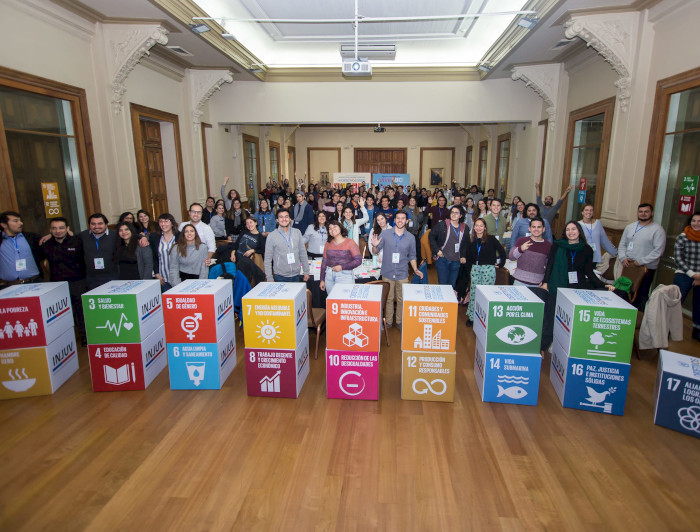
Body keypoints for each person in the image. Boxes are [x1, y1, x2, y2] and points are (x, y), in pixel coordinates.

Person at [540, 221, 615, 351]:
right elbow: (550, 265)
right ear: (565, 232)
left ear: (579, 231)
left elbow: (588, 271)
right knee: (551, 317)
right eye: (568, 229)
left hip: (576, 288)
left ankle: (568, 348)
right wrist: (545, 282)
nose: (571, 232)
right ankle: (543, 346)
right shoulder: (557, 246)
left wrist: (603, 284)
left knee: (570, 319)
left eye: (573, 229)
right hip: (556, 286)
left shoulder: (586, 249)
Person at [371, 210, 423, 329]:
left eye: (403, 218)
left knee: (401, 298)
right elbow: (375, 252)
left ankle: (399, 321)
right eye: (398, 218)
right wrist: (374, 246)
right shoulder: (385, 234)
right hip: (387, 271)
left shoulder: (411, 238)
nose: (400, 220)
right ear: (394, 220)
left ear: (406, 221)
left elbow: (412, 256)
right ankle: (388, 321)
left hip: (403, 272)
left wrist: (415, 269)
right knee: (388, 298)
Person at [41, 217, 86, 344]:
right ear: (50, 230)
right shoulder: (46, 245)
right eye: (54, 228)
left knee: (80, 312)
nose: (58, 231)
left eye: (61, 228)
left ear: (67, 229)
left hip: (77, 282)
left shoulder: (77, 241)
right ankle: (64, 341)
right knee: (61, 314)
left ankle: (84, 338)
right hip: (57, 285)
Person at [617, 203, 666, 310]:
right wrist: (623, 257)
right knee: (625, 292)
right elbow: (622, 245)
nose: (643, 214)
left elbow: (658, 251)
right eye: (640, 211)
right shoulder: (630, 227)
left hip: (646, 268)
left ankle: (639, 319)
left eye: (646, 211)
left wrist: (641, 261)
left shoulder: (658, 230)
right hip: (628, 266)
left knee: (640, 295)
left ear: (652, 213)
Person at [462, 219, 506, 325]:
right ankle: (472, 317)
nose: (479, 228)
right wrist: (469, 272)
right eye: (476, 226)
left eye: (481, 226)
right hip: (475, 269)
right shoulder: (472, 241)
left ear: (485, 227)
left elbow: (501, 251)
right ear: (474, 228)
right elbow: (468, 257)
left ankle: (485, 317)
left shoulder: (491, 239)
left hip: (488, 269)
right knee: (474, 293)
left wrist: (501, 264)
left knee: (486, 294)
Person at [673, 211, 700, 341]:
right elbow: (678, 259)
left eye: (699, 221)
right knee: (677, 301)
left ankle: (697, 329)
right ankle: (669, 327)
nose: (696, 223)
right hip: (684, 273)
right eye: (694, 221)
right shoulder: (682, 237)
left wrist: (699, 276)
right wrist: (693, 274)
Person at [264, 208, 309, 283]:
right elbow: (267, 259)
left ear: (290, 219)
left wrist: (306, 271)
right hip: (280, 276)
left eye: (286, 216)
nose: (284, 219)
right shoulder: (271, 236)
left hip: (296, 274)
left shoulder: (297, 232)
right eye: (281, 217)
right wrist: (269, 278)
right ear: (277, 220)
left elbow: (303, 253)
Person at [0, 211, 43, 287]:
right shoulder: (0, 240)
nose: (21, 223)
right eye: (15, 221)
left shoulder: (32, 237)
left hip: (34, 283)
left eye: (20, 220)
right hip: (8, 286)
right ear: (4, 225)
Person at [319, 220, 362, 295]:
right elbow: (324, 261)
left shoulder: (350, 242)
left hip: (345, 276)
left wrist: (342, 267)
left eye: (334, 226)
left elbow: (358, 260)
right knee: (332, 302)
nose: (332, 229)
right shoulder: (328, 243)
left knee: (345, 302)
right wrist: (322, 279)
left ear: (340, 228)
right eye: (330, 228)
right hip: (329, 276)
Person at [430, 206, 467, 289]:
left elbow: (465, 244)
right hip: (443, 259)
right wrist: (436, 250)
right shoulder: (442, 224)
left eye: (456, 213)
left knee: (452, 286)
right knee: (443, 286)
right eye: (452, 212)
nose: (453, 214)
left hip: (456, 261)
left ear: (461, 215)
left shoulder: (465, 228)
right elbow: (431, 236)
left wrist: (463, 255)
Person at [80, 213, 119, 290]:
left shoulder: (116, 235)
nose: (96, 226)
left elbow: (133, 236)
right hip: (91, 278)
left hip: (112, 276)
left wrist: (142, 237)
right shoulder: (83, 236)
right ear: (89, 225)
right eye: (93, 224)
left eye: (100, 223)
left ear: (106, 224)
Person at [508, 217, 551, 287]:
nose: (536, 229)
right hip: (519, 282)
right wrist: (520, 249)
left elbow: (549, 266)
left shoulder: (548, 245)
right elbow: (511, 257)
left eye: (539, 227)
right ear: (529, 229)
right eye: (533, 227)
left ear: (543, 229)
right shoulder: (521, 241)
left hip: (538, 284)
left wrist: (545, 281)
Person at [152, 213, 178, 291]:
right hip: (163, 278)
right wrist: (156, 274)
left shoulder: (179, 236)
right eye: (161, 221)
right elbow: (153, 257)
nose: (163, 224)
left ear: (172, 223)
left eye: (166, 221)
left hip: (178, 277)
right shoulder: (154, 237)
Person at [405, 196, 424, 264]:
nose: (412, 202)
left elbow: (420, 220)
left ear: (415, 202)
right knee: (407, 248)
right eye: (411, 200)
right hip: (407, 231)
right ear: (409, 202)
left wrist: (421, 213)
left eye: (413, 200)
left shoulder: (417, 209)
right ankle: (407, 263)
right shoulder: (405, 209)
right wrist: (406, 220)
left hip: (415, 232)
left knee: (416, 247)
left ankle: (417, 262)